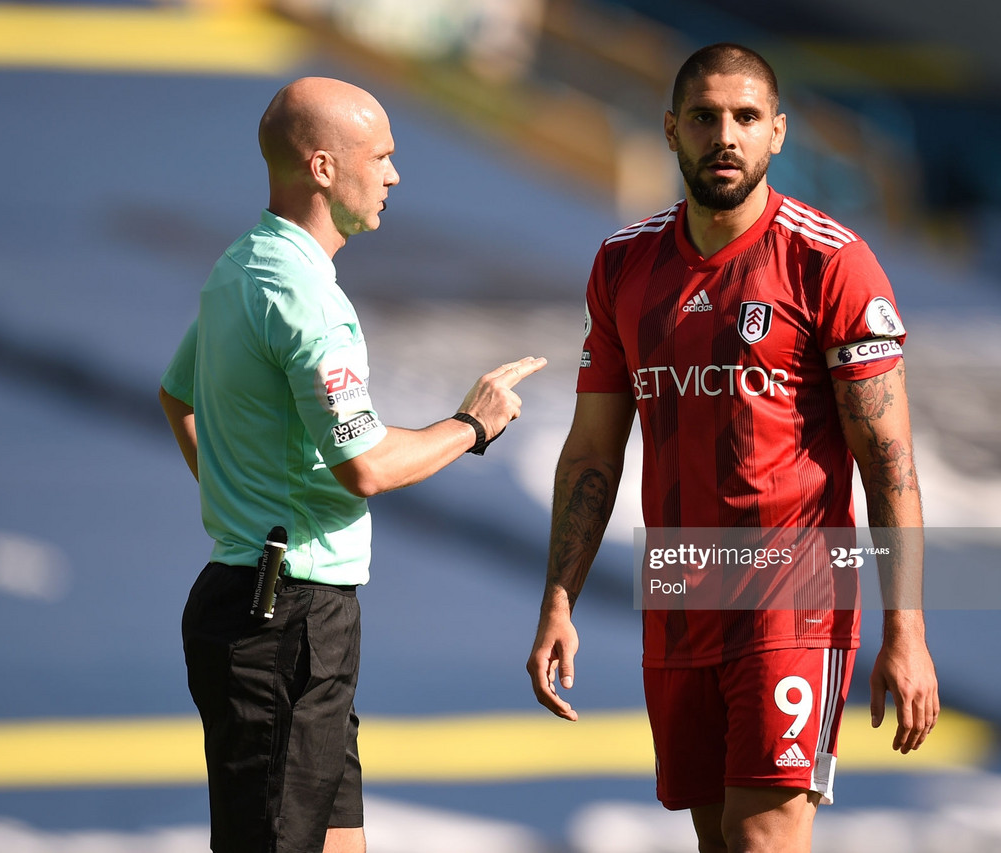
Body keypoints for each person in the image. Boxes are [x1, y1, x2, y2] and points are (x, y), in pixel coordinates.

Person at [525, 43, 938, 853]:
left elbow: (890, 463)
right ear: (671, 129)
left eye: (747, 118)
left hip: (796, 599)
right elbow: (592, 455)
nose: (727, 136)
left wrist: (908, 629)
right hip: (679, 600)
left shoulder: (832, 262)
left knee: (762, 839)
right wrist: (559, 597)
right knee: (717, 841)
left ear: (778, 133)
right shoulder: (622, 265)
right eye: (707, 118)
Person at [159, 77, 545, 853]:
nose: (396, 175)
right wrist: (472, 425)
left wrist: (245, 504)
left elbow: (177, 398)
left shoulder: (239, 267)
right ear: (326, 168)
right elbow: (364, 466)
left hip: (269, 607)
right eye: (383, 156)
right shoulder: (306, 296)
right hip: (286, 623)